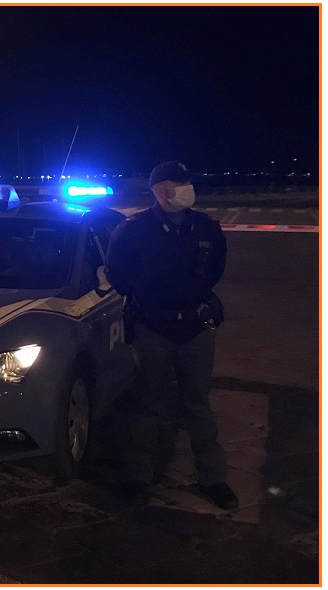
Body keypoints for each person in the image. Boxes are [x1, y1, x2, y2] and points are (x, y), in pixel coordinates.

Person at [104, 161, 238, 510]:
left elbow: (216, 268)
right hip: (153, 327)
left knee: (198, 404)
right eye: (179, 183)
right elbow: (117, 272)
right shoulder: (133, 229)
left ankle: (213, 477)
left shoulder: (205, 227)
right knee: (148, 403)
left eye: (187, 182)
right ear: (160, 190)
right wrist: (151, 298)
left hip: (195, 327)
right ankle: (138, 477)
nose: (186, 188)